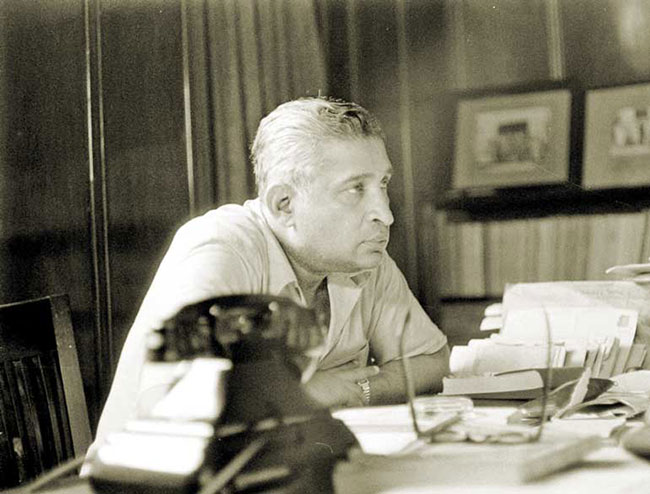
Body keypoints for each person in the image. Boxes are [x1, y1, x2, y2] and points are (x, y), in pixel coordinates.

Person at [93, 96, 449, 446]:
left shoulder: (360, 257)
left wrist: (354, 390)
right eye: (355, 188)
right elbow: (174, 403)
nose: (385, 214)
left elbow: (432, 361)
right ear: (284, 205)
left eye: (382, 184)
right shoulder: (222, 245)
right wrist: (305, 393)